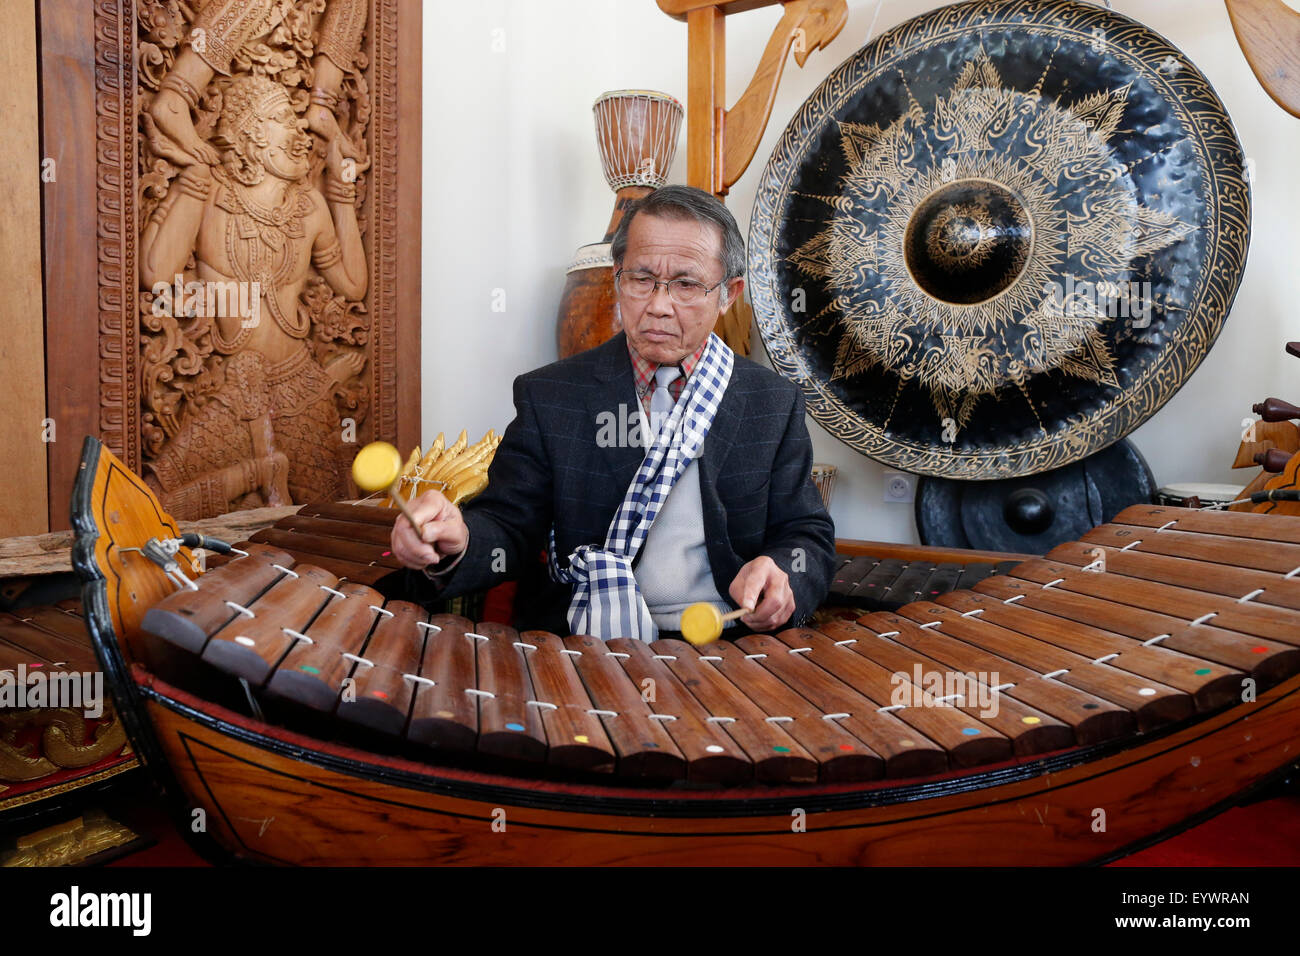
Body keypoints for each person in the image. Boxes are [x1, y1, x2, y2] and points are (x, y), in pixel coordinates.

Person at [390, 185, 835, 641]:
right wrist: (457, 540)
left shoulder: (771, 402)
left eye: (686, 284)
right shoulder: (551, 395)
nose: (658, 306)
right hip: (581, 637)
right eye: (641, 279)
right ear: (617, 278)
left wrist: (783, 573)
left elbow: (805, 532)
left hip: (725, 642)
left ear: (728, 294)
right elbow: (508, 527)